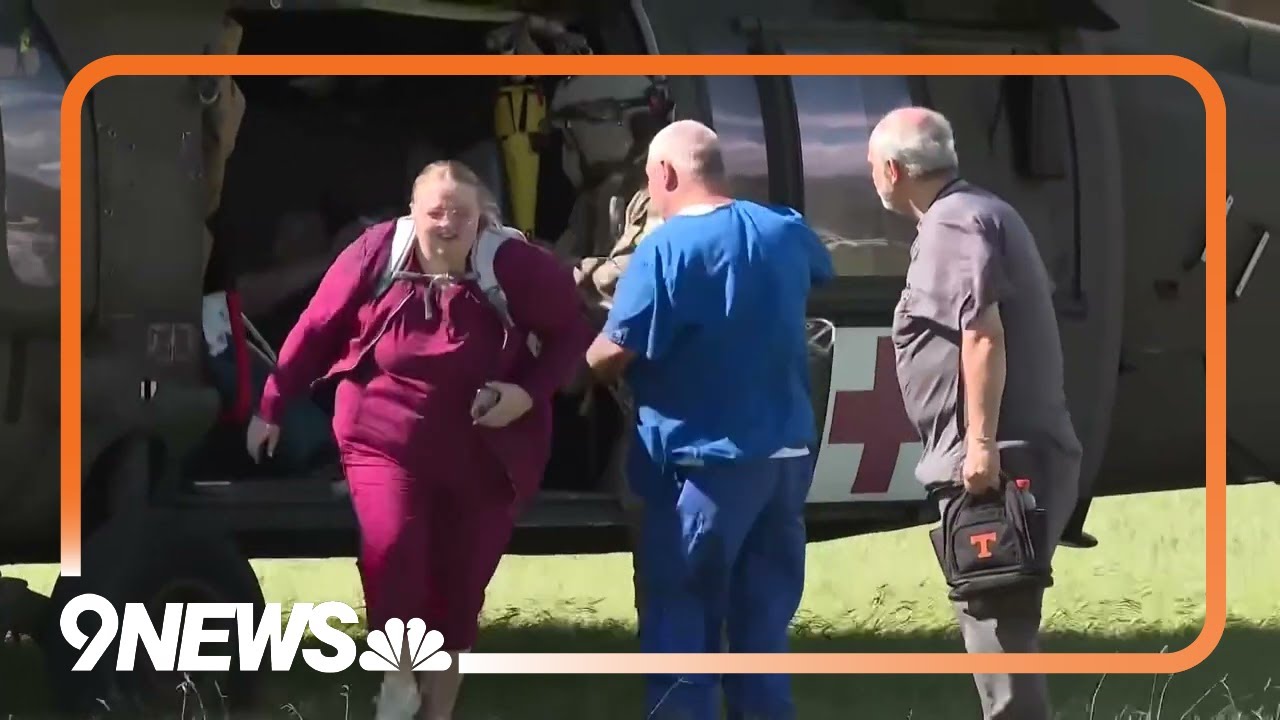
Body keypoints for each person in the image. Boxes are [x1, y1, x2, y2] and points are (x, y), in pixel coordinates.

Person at [245, 160, 594, 720]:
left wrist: (526, 395)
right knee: (394, 550)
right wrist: (272, 404)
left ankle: (435, 713)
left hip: (486, 453)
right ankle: (398, 681)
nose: (448, 224)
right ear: (413, 213)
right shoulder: (376, 252)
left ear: (483, 218)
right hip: (382, 439)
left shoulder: (517, 267)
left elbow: (571, 332)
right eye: (436, 213)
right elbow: (317, 325)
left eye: (461, 214)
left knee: (459, 590)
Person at [585, 119, 834, 720]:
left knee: (683, 622)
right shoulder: (784, 230)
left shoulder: (663, 249)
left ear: (666, 174)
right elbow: (819, 273)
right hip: (784, 463)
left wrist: (574, 361)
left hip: (702, 469)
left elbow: (615, 352)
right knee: (763, 627)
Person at [868, 106, 1084, 720]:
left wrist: (980, 446)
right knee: (1003, 633)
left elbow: (982, 334)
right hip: (1011, 450)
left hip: (996, 461)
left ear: (891, 169)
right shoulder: (982, 211)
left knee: (998, 636)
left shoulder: (953, 224)